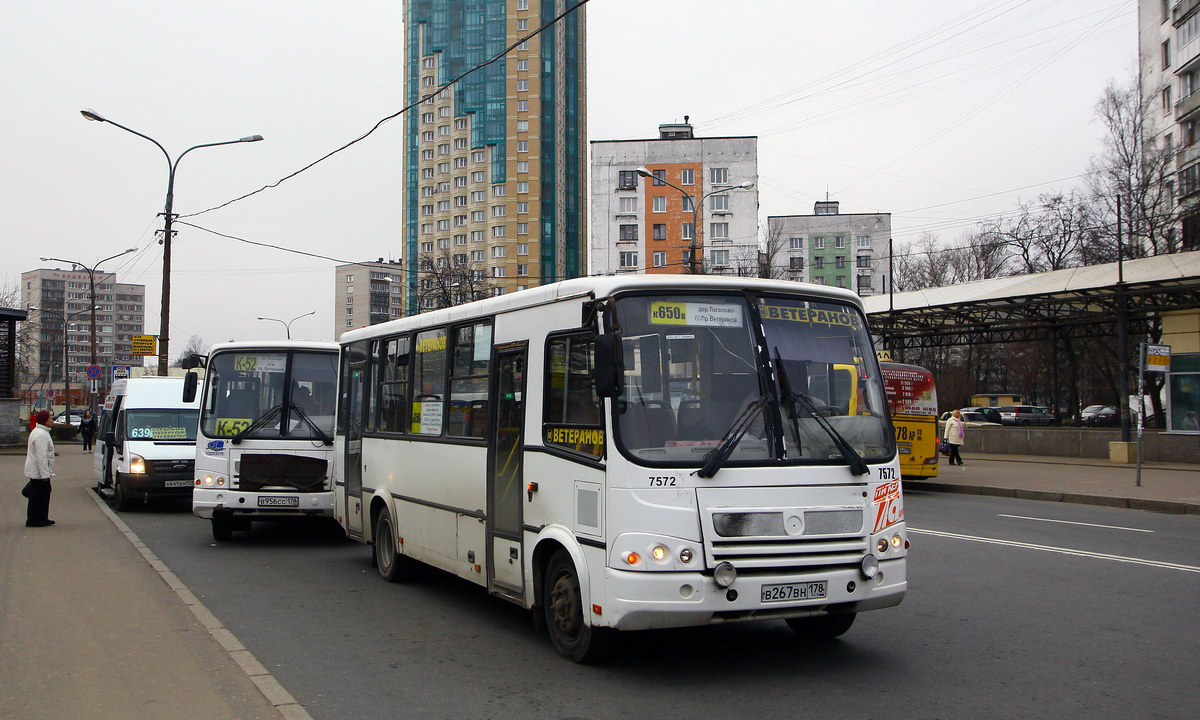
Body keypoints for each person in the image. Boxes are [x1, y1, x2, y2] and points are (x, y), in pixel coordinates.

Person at [24, 409, 56, 527]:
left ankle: (42, 518)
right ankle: (33, 519)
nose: (52, 420)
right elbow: (41, 457)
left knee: (43, 493)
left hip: (39, 471)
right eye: (50, 418)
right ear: (44, 421)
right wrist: (45, 475)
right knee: (37, 495)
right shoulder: (40, 435)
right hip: (38, 472)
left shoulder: (41, 432)